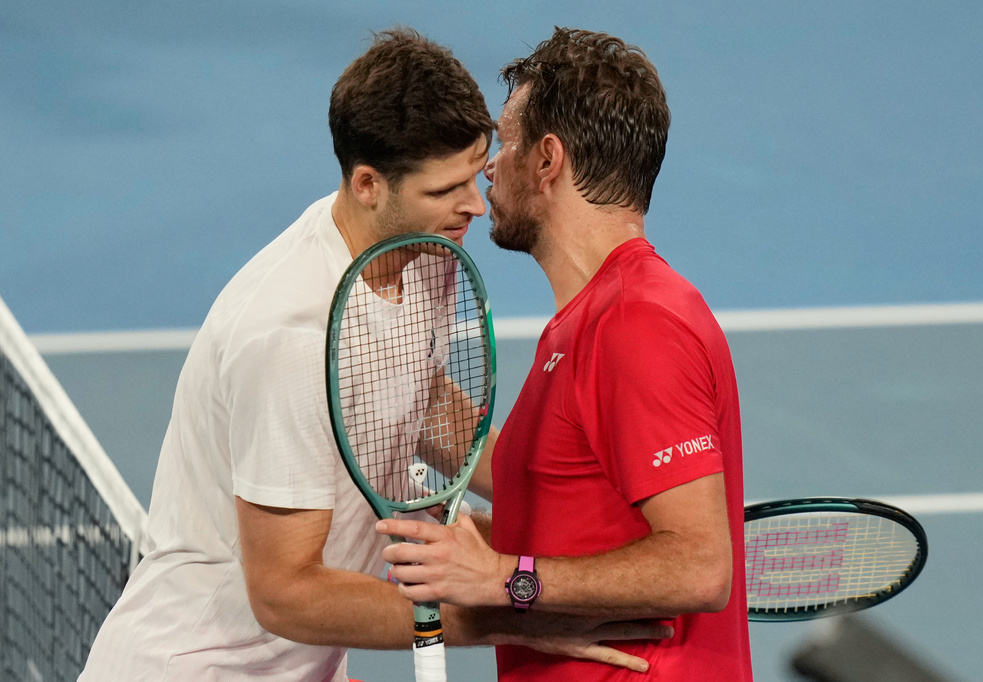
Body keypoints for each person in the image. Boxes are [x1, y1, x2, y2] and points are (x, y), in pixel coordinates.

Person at [79, 28, 666, 681]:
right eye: (446, 190)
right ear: (367, 184)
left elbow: (408, 399)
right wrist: (509, 614)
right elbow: (285, 593)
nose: (476, 204)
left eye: (475, 174)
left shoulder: (426, 255)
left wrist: (569, 511)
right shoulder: (291, 336)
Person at [378, 27, 754, 680]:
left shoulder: (639, 324)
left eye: (507, 143)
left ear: (547, 160)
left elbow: (700, 566)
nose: (489, 167)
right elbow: (547, 491)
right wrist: (390, 380)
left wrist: (503, 579)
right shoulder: (585, 324)